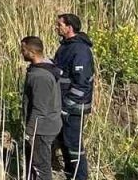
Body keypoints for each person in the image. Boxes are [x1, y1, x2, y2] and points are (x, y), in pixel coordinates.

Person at [53, 13, 95, 180]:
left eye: (59, 25)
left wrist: (67, 105)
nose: (57, 27)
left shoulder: (80, 50)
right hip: (64, 105)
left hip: (73, 108)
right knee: (65, 144)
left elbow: (82, 83)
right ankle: (71, 175)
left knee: (74, 146)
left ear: (69, 28)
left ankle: (80, 177)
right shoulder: (66, 46)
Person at [21, 36, 63, 180]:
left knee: (40, 167)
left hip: (43, 128)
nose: (22, 53)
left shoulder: (40, 77)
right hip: (47, 124)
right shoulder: (44, 69)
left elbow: (40, 108)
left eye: (23, 50)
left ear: (32, 52)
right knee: (35, 163)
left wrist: (30, 131)